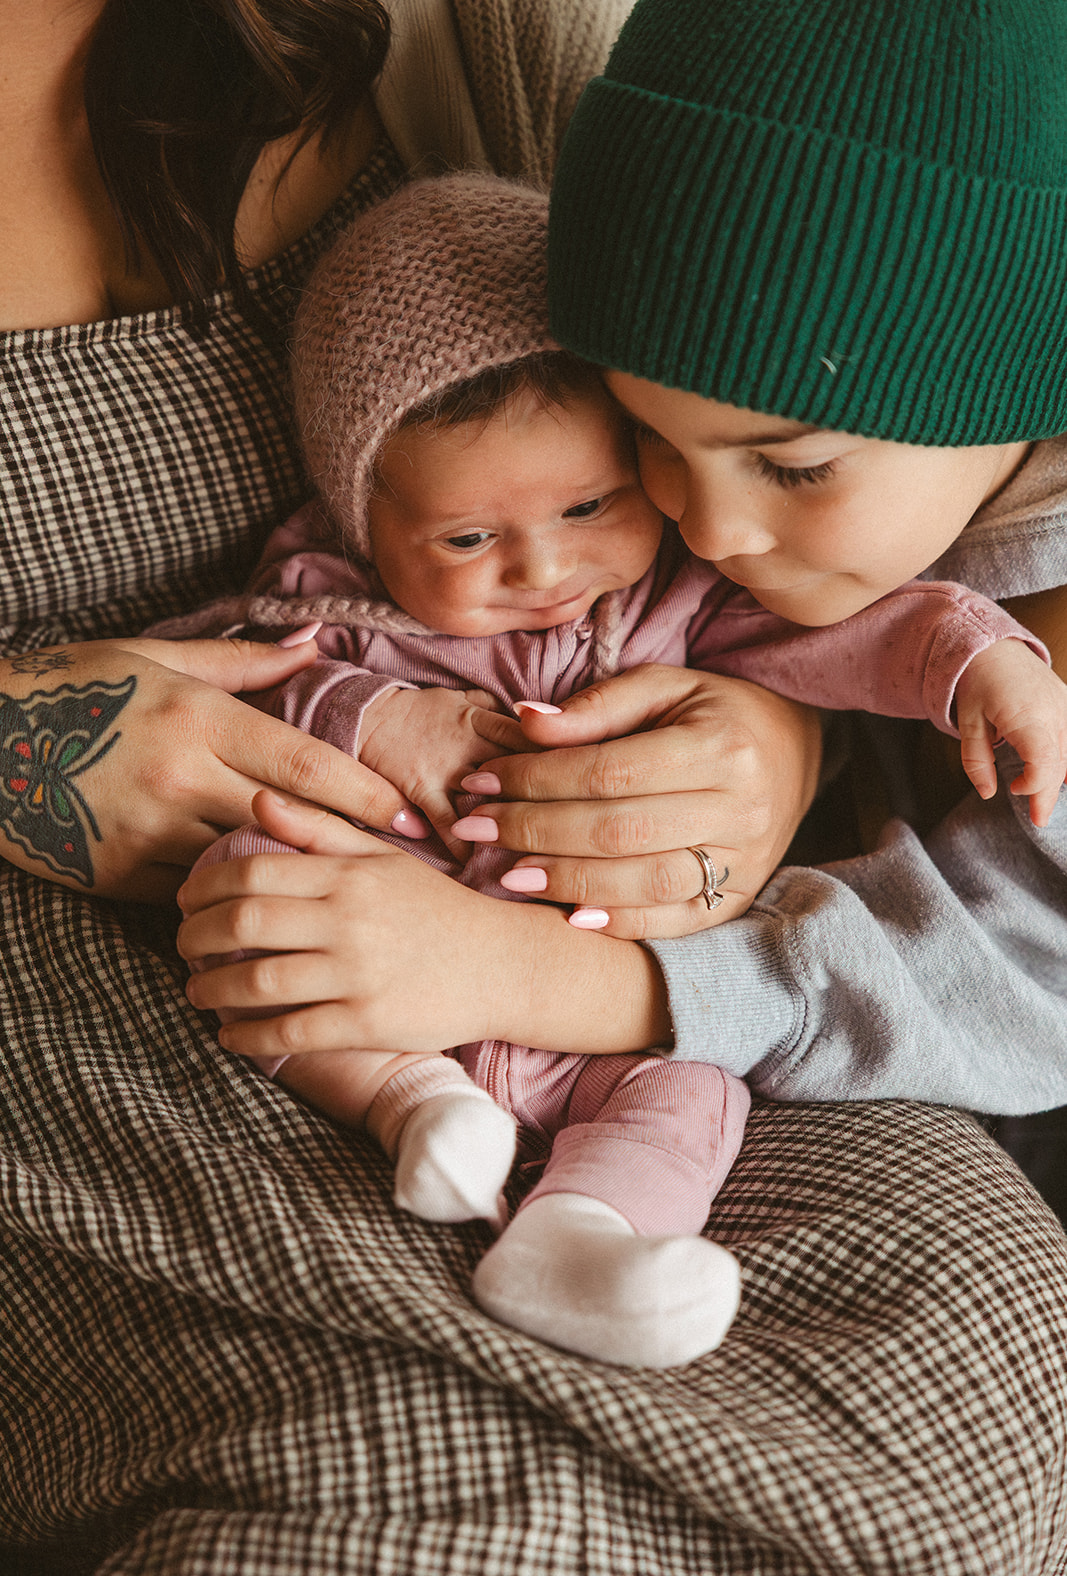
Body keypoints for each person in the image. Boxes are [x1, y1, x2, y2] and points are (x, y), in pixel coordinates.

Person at [4, 0, 1067, 1573]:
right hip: (162, 989)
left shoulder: (475, 38)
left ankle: (585, 1215)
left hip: (667, 959)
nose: (705, 521)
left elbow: (810, 581)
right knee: (439, 1498)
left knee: (963, 1336)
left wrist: (774, 733)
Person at [185, 171, 1063, 1373]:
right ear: (358, 518)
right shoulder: (338, 601)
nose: (541, 567)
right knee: (249, 896)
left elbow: (860, 635)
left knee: (695, 1091)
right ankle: (409, 1104)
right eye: (465, 538)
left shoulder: (679, 599)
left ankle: (582, 1239)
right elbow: (239, 677)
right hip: (377, 952)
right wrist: (379, 717)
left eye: (591, 502)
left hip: (608, 976)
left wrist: (977, 665)